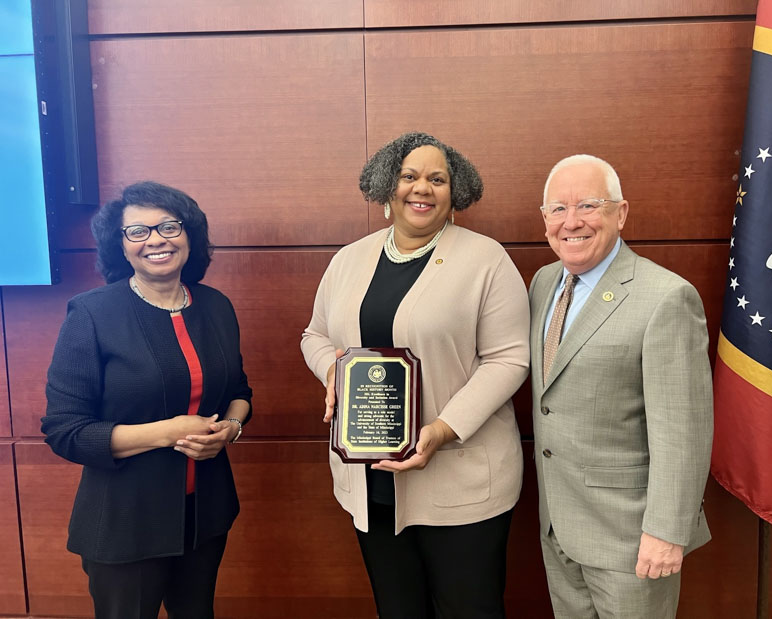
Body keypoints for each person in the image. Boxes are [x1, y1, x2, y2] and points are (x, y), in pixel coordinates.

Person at [301, 132, 529, 619]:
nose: (421, 188)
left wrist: (443, 430)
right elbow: (314, 336)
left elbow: (509, 358)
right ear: (388, 186)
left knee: (471, 610)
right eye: (409, 176)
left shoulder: (486, 260)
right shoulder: (348, 260)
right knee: (398, 610)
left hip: (461, 482)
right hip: (369, 478)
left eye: (437, 178)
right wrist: (333, 375)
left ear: (455, 193)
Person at [41, 181, 252, 619]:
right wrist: (168, 433)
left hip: (204, 516)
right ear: (120, 246)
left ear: (189, 235)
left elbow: (239, 393)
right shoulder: (93, 314)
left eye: (168, 227)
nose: (156, 239)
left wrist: (230, 430)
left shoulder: (216, 306)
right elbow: (65, 431)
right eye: (137, 231)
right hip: (125, 524)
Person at [529, 155, 713, 618]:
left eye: (589, 205)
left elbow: (683, 430)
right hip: (558, 526)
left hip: (632, 539)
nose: (571, 222)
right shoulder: (543, 282)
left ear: (621, 213)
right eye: (557, 209)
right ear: (545, 219)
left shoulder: (666, 298)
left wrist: (667, 532)